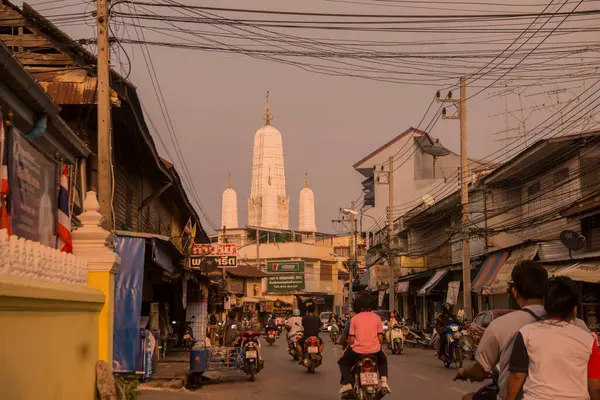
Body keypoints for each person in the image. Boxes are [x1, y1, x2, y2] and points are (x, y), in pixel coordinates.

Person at [456, 260, 549, 400]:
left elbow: (481, 371)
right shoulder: (574, 326)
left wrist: (463, 372)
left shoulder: (501, 325)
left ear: (515, 292)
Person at [506, 276, 600, 400]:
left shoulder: (526, 334)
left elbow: (517, 376)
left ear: (546, 304)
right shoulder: (588, 340)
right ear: (574, 309)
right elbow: (595, 386)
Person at [338, 292, 390, 396]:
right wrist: (380, 347)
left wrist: (347, 348)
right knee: (383, 361)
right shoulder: (377, 318)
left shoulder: (354, 319)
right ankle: (384, 383)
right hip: (375, 351)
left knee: (343, 362)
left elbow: (351, 339)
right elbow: (380, 337)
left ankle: (347, 383)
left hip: (357, 351)